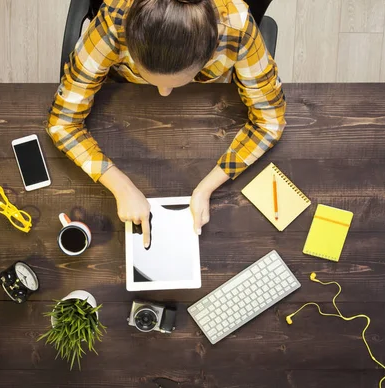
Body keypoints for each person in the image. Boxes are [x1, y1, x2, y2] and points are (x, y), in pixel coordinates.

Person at [47, 0, 286, 248]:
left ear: (211, 52)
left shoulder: (237, 27)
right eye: (148, 76)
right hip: (124, 98)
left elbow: (270, 121)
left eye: (181, 80)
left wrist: (206, 188)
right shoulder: (114, 20)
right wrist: (121, 187)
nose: (164, 93)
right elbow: (62, 121)